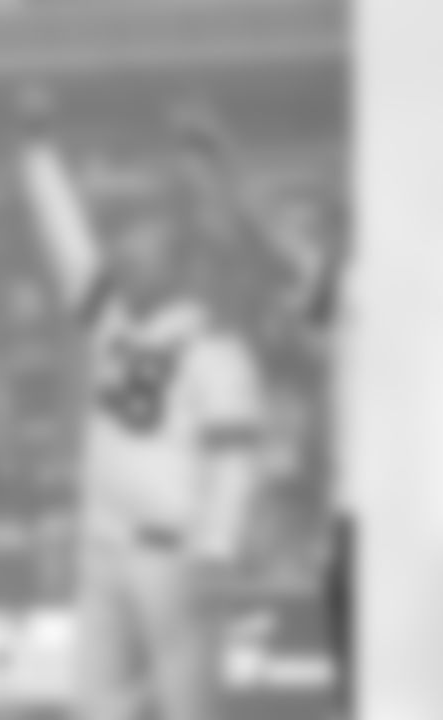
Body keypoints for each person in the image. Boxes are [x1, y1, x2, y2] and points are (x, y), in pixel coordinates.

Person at [16, 111, 270, 720]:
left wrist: (218, 550)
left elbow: (235, 464)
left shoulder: (215, 348)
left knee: (186, 707)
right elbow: (68, 245)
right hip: (102, 552)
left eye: (142, 245)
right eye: (124, 245)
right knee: (98, 707)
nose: (124, 256)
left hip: (177, 558)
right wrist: (38, 156)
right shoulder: (112, 331)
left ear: (178, 263)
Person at [176, 114, 356, 716]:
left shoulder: (345, 290)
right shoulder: (289, 305)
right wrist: (224, 174)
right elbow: (260, 242)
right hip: (290, 454)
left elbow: (270, 244)